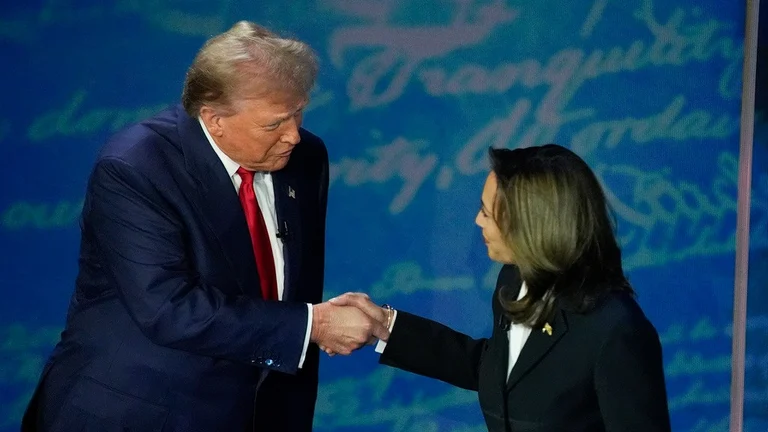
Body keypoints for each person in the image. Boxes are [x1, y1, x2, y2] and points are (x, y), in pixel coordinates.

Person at [21, 21, 387, 432]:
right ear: (214, 119)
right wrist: (315, 325)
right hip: (137, 413)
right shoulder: (135, 169)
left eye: (298, 114)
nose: (293, 136)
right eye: (275, 123)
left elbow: (292, 288)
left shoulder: (306, 159)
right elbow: (169, 308)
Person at [331, 144, 672, 431]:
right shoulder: (513, 279)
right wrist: (386, 326)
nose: (478, 221)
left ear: (531, 226)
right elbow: (498, 372)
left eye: (487, 213)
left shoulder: (615, 329)